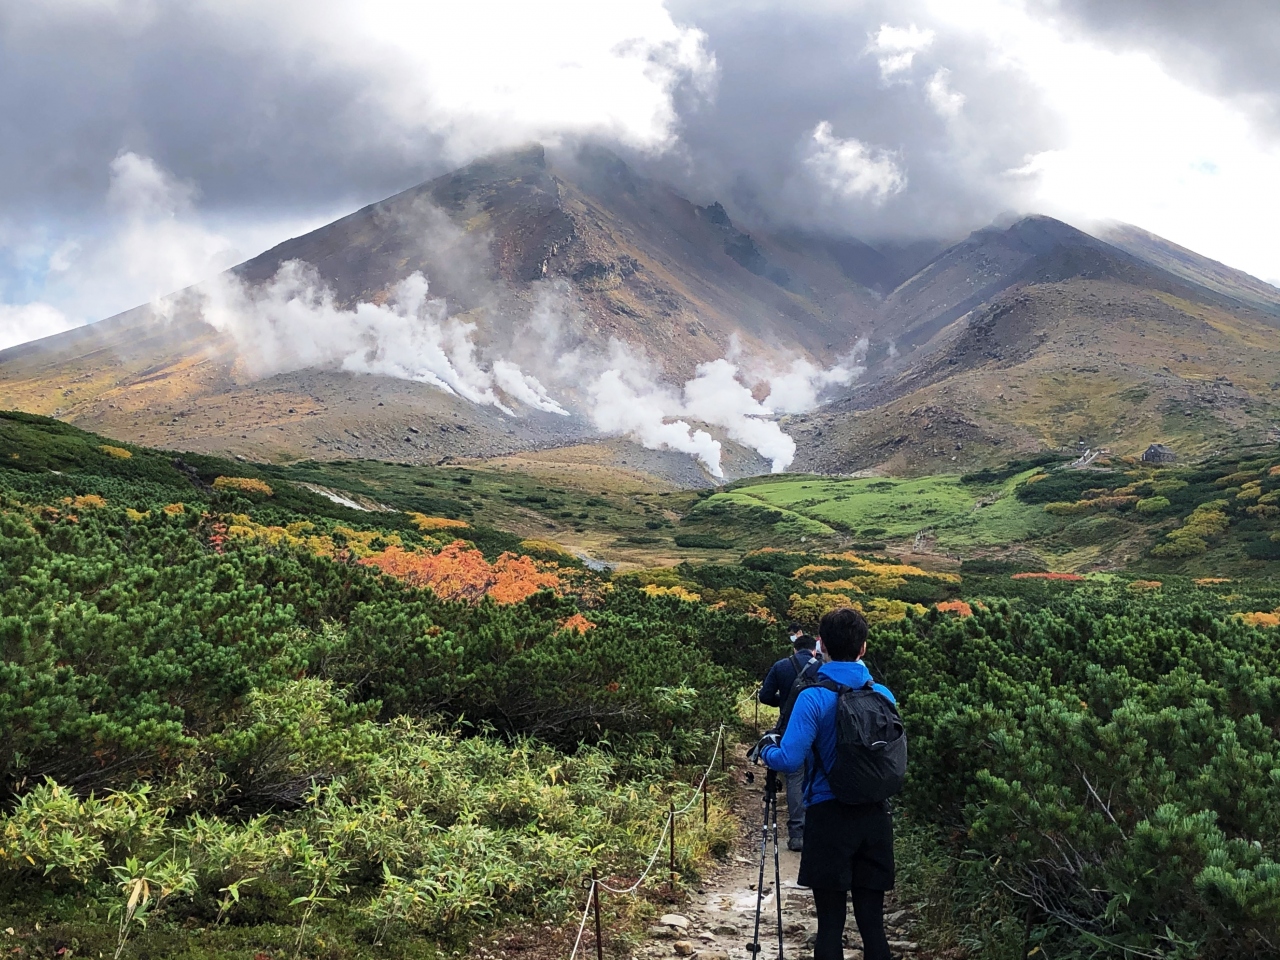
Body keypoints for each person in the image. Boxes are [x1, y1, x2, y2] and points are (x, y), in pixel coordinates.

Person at [759, 608, 896, 960]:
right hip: (875, 814)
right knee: (873, 925)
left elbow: (789, 759)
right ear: (863, 648)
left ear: (822, 645)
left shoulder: (814, 697)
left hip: (828, 813)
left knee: (831, 926)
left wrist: (766, 749)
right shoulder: (883, 693)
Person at [758, 622, 820, 851]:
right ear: (814, 650)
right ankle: (818, 830)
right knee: (819, 776)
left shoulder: (781, 666)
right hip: (818, 730)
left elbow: (764, 696)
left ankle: (797, 834)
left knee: (795, 778)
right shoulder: (821, 667)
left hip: (789, 727)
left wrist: (783, 702)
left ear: (795, 648)